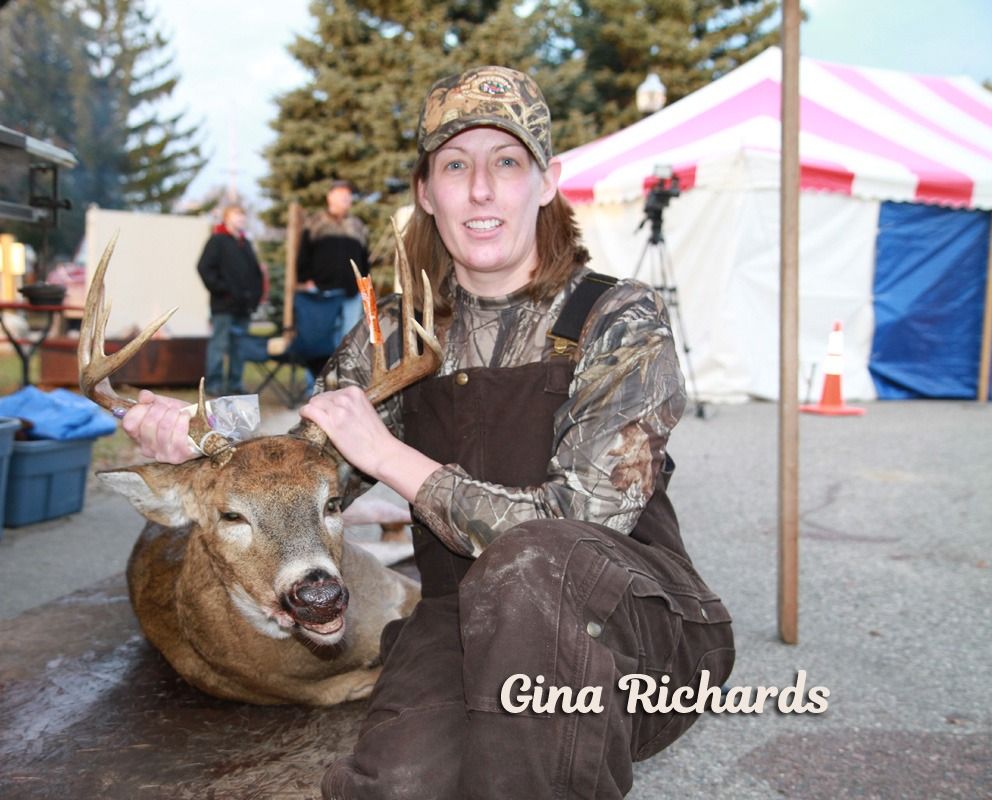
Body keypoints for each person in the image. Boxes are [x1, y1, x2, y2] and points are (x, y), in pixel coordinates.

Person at [125, 65, 734, 799]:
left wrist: (390, 456)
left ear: (546, 182)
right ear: (425, 191)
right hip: (463, 623)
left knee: (532, 568)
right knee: (393, 784)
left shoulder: (618, 319)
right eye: (454, 166)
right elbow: (307, 462)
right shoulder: (391, 336)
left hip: (633, 632)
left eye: (506, 162)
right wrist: (202, 440)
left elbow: (581, 522)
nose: (480, 190)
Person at [196, 204, 263, 396]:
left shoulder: (245, 243)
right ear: (226, 218)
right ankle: (214, 383)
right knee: (219, 344)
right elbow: (204, 268)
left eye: (243, 215)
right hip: (223, 305)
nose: (241, 219)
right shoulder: (217, 240)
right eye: (236, 215)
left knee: (239, 346)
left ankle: (235, 383)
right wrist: (223, 290)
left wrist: (254, 297)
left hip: (243, 306)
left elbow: (255, 273)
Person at [297, 179, 370, 348]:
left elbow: (364, 258)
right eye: (341, 194)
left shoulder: (357, 225)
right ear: (330, 197)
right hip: (323, 291)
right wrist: (305, 280)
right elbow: (303, 253)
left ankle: (344, 366)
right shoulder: (315, 223)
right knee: (321, 338)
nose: (346, 198)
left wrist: (365, 285)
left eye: (348, 195)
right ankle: (321, 367)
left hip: (352, 292)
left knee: (349, 338)